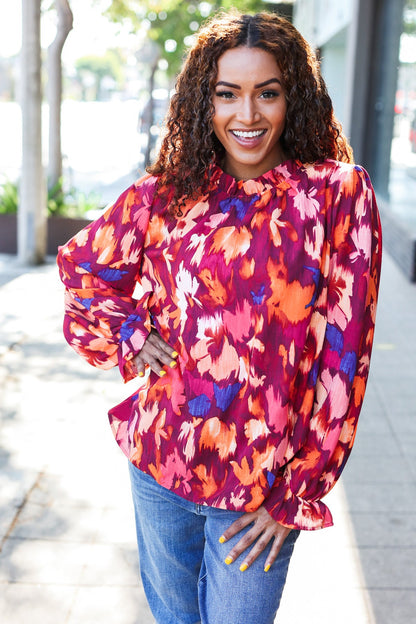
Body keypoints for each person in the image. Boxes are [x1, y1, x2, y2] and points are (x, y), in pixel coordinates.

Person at [57, 10, 382, 624]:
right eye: (227, 93)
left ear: (295, 96)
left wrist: (298, 491)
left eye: (268, 93)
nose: (247, 114)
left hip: (260, 488)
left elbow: (345, 359)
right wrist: (131, 331)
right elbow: (83, 268)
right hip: (160, 464)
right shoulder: (167, 194)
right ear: (202, 101)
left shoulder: (336, 195)